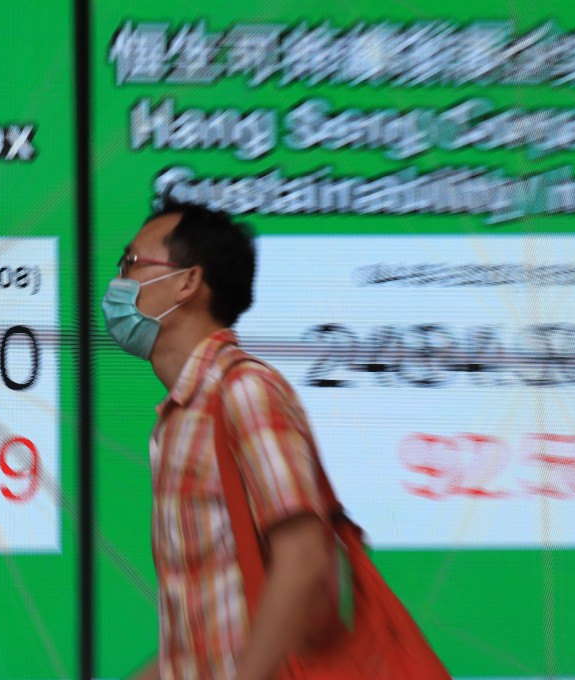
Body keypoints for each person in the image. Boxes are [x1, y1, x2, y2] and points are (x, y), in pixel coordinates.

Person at [101, 201, 449, 680]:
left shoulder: (243, 391)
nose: (118, 283)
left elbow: (305, 558)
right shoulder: (180, 418)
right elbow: (201, 645)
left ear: (187, 282)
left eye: (132, 264)